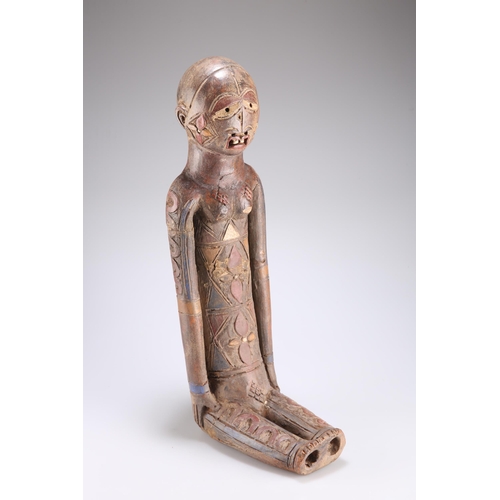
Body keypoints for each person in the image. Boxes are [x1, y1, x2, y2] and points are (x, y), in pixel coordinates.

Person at [166, 57, 345, 474]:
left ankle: (307, 431)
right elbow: (188, 297)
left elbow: (261, 273)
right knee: (282, 441)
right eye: (226, 110)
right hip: (218, 381)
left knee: (306, 422)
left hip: (256, 368)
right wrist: (199, 390)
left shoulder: (250, 182)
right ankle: (294, 449)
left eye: (249, 107)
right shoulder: (185, 196)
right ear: (187, 120)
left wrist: (268, 365)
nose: (241, 123)